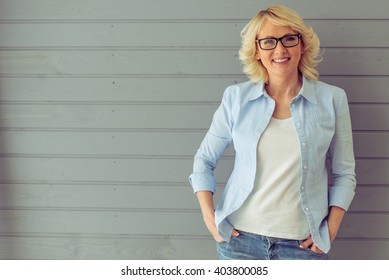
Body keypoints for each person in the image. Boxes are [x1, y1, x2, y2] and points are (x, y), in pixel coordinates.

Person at [188, 5, 356, 260]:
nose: (280, 50)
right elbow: (204, 160)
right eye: (268, 41)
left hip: (303, 248)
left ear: (302, 45)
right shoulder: (236, 98)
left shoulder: (332, 99)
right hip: (238, 243)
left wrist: (329, 231)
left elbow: (344, 173)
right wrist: (210, 218)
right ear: (256, 50)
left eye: (289, 38)